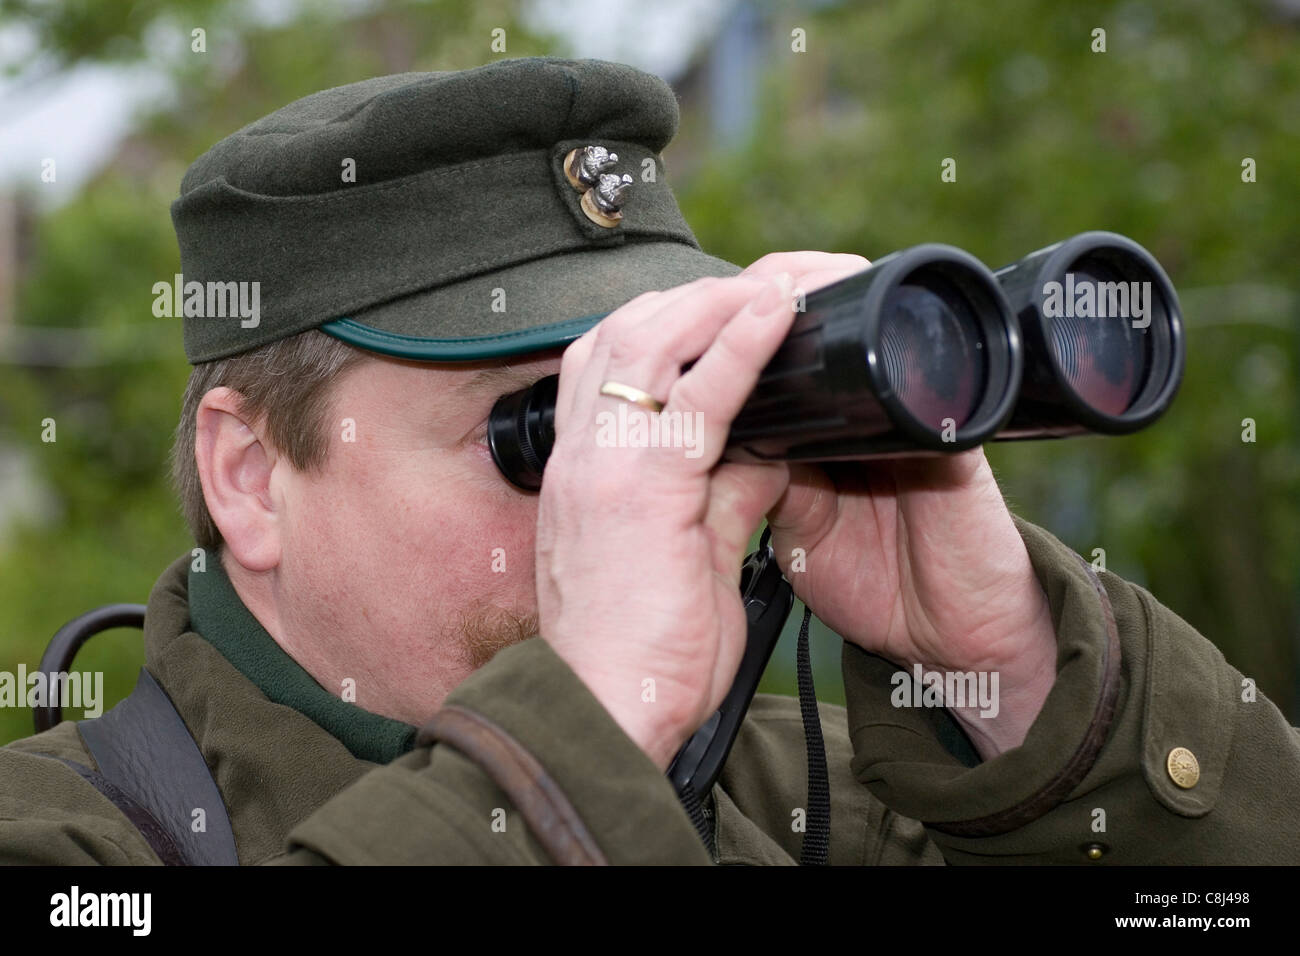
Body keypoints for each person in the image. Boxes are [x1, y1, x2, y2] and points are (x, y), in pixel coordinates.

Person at [1, 57, 1296, 865]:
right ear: (251, 475)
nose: (617, 495)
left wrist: (1015, 680)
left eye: (666, 409)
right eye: (541, 432)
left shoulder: (821, 797)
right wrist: (585, 741)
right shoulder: (69, 845)